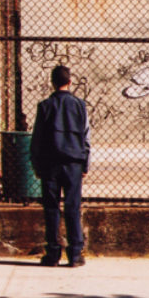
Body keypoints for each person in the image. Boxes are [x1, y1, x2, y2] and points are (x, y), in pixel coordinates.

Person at [30, 65, 91, 267]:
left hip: (50, 162)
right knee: (73, 206)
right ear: (70, 82)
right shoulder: (79, 105)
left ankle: (53, 252)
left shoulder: (45, 106)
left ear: (52, 82)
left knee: (51, 207)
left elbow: (37, 138)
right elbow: (85, 136)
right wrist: (85, 164)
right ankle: (75, 253)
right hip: (73, 161)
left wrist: (36, 164)